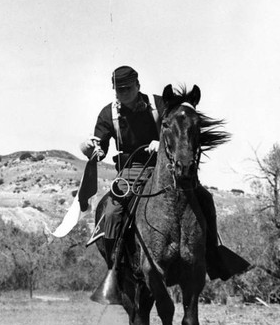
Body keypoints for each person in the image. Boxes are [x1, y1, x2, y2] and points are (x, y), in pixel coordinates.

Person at [81, 65, 248, 281]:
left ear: (138, 85)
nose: (124, 93)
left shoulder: (159, 104)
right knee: (112, 211)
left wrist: (159, 144)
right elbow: (101, 148)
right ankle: (115, 268)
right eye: (119, 90)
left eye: (128, 88)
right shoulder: (108, 114)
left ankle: (214, 256)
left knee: (205, 199)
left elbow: (178, 129)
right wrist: (93, 148)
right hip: (130, 172)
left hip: (165, 168)